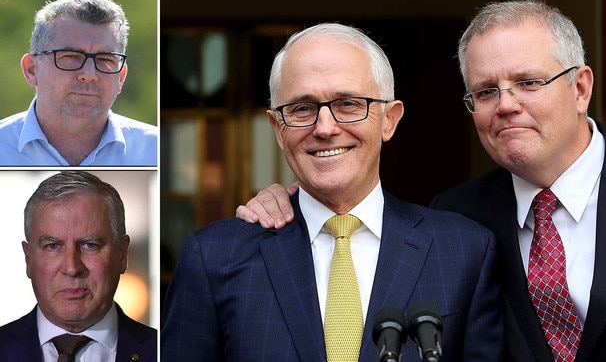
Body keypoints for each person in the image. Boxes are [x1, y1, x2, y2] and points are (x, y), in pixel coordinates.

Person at [236, 0, 606, 361]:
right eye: (486, 92)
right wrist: (294, 198)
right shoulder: (458, 217)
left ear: (580, 89)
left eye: (528, 83)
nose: (506, 105)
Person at [162, 22, 503, 361]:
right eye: (302, 109)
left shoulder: (464, 250)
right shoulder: (214, 257)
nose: (325, 128)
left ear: (389, 119)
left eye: (348, 104)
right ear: (277, 129)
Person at [0, 171, 157, 361]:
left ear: (122, 254)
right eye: (53, 246)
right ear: (28, 258)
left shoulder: (162, 349)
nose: (72, 268)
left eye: (90, 245)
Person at [0, 0, 157, 166]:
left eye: (105, 59)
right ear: (31, 69)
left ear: (121, 77)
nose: (89, 74)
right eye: (71, 56)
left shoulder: (155, 150)